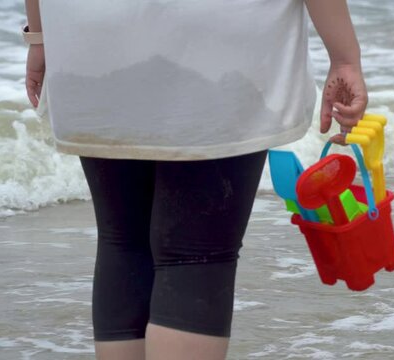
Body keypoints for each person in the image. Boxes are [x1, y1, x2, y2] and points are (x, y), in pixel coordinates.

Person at [24, 1, 367, 359]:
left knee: (124, 241)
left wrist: (39, 36)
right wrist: (344, 59)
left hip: (87, 36)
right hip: (216, 40)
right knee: (196, 255)